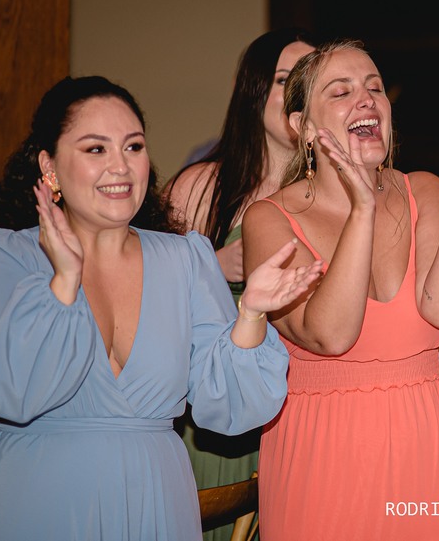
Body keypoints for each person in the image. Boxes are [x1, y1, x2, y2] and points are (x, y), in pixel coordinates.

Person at [0, 76, 320, 541]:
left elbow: (228, 405)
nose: (120, 167)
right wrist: (63, 282)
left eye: (134, 146)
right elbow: (9, 391)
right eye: (95, 150)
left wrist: (251, 313)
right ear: (50, 166)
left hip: (152, 503)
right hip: (32, 503)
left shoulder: (185, 258)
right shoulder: (9, 257)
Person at [243, 39, 439, 540]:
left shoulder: (427, 190)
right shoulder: (270, 218)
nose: (367, 99)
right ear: (303, 126)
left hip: (424, 440)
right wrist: (362, 209)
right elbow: (330, 334)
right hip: (324, 453)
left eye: (374, 88)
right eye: (341, 92)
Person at [164, 27, 315, 541]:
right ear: (253, 92)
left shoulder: (337, 197)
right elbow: (147, 311)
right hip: (220, 420)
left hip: (311, 411)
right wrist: (211, 265)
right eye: (283, 80)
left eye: (313, 80)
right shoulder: (203, 186)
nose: (299, 94)